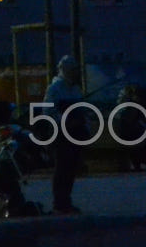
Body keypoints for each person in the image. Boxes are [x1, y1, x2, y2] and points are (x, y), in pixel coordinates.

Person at [44, 55, 84, 214]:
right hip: (60, 134)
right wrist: (65, 121)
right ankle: (59, 202)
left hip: (75, 133)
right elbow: (48, 111)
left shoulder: (75, 89)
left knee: (72, 167)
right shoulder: (54, 88)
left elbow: (82, 109)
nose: (76, 73)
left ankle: (66, 200)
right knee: (62, 168)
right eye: (73, 70)